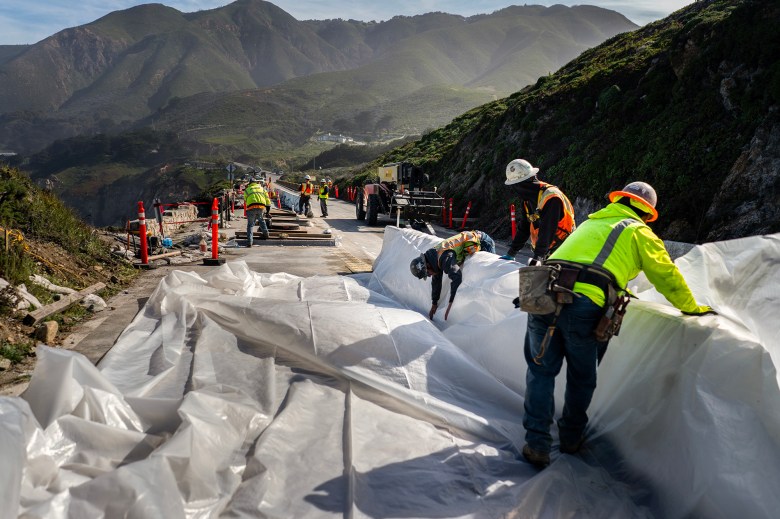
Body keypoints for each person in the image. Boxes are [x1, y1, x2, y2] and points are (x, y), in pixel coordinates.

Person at [520, 181, 717, 468]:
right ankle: (570, 438)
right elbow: (668, 277)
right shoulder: (640, 233)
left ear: (618, 201)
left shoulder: (590, 223)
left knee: (540, 371)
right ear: (646, 213)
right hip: (585, 302)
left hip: (542, 290)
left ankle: (536, 444)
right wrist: (694, 309)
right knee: (582, 378)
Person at [499, 159, 576, 265]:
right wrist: (512, 253)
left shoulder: (551, 197)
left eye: (515, 185)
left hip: (565, 252)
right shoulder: (528, 201)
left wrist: (538, 258)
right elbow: (524, 228)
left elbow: (547, 230)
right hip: (549, 253)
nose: (515, 190)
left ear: (522, 185)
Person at [409, 230, 496, 320]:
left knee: (491, 271)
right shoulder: (434, 259)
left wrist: (451, 304)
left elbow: (457, 276)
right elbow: (436, 282)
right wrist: (434, 303)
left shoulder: (444, 257)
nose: (429, 275)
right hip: (474, 237)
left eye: (427, 273)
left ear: (427, 265)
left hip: (483, 242)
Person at [244, 178, 271, 246]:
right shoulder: (262, 189)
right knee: (261, 220)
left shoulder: (247, 190)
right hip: (261, 207)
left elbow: (245, 199)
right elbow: (267, 200)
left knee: (250, 225)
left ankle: (250, 242)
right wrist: (268, 211)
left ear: (250, 183)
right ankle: (266, 234)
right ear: (256, 183)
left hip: (251, 207)